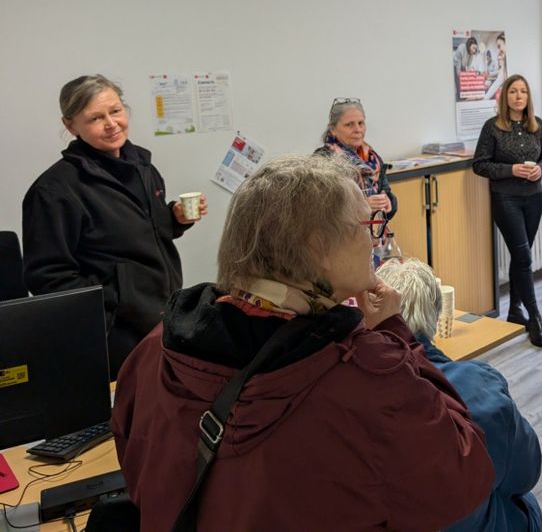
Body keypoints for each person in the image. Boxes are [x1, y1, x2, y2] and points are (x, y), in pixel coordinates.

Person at [112, 155, 494, 531]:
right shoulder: (368, 376)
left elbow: (135, 465)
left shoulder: (155, 347)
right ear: (317, 248)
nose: (375, 239)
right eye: (368, 225)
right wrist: (396, 334)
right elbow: (463, 475)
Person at [22, 74, 207, 377]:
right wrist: (117, 302)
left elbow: (138, 232)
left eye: (116, 111)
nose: (111, 124)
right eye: (96, 118)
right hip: (114, 336)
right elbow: (48, 277)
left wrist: (174, 218)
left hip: (161, 318)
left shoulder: (143, 167)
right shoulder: (54, 191)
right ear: (71, 125)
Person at [376, 257, 542, 532]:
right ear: (436, 315)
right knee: (525, 504)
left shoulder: (348, 393)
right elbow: (526, 473)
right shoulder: (482, 388)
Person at [472, 74, 542, 347]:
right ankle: (535, 318)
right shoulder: (492, 127)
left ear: (528, 97)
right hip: (506, 199)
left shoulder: (536, 125)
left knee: (522, 257)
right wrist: (512, 170)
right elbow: (480, 164)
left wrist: (541, 169)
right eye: (513, 91)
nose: (518, 96)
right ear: (504, 97)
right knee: (523, 257)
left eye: (523, 92)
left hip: (534, 198)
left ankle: (514, 310)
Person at [314, 97, 396, 220]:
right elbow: (320, 210)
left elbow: (386, 192)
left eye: (361, 123)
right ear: (333, 129)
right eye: (349, 125)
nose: (357, 130)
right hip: (342, 231)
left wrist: (388, 202)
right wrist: (362, 207)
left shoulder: (372, 158)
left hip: (375, 230)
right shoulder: (322, 160)